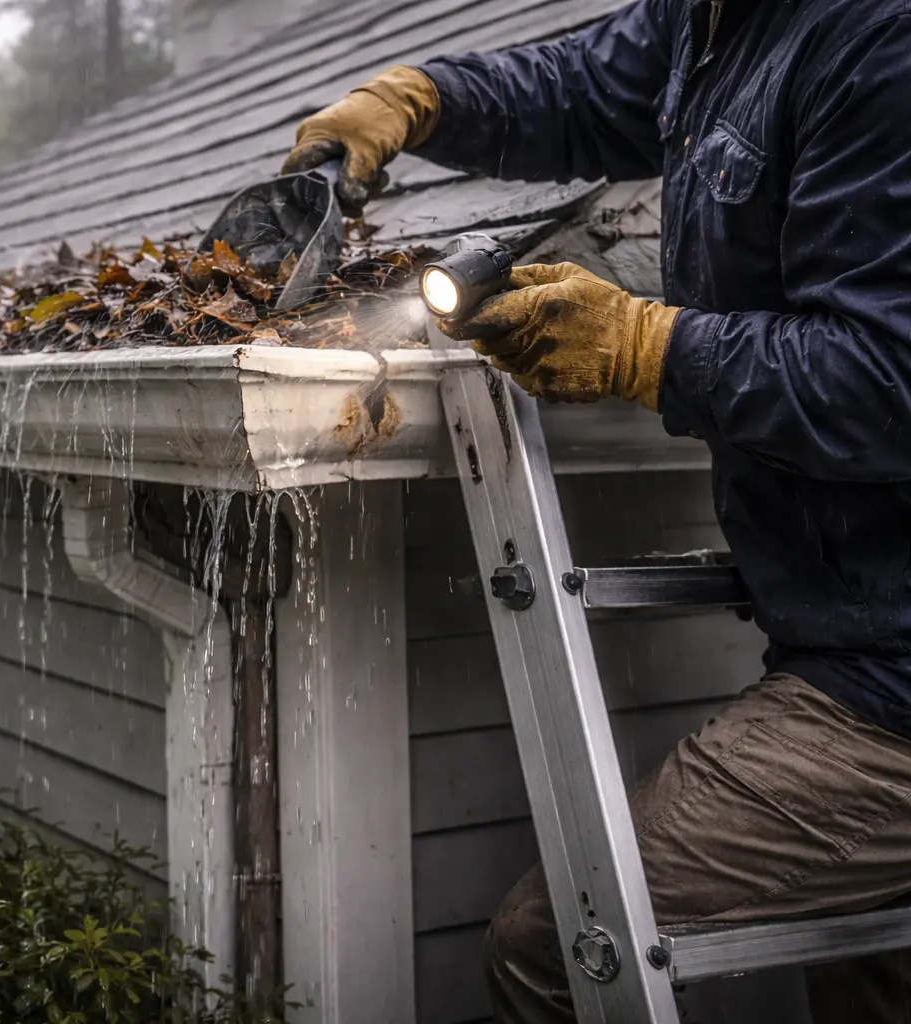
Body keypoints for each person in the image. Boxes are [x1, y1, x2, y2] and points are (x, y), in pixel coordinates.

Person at [283, 1, 911, 1021]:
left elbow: (890, 378)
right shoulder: (711, 21)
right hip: (846, 646)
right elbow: (579, 87)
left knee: (562, 951)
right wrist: (420, 97)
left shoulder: (880, 40)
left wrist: (647, 348)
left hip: (889, 690)